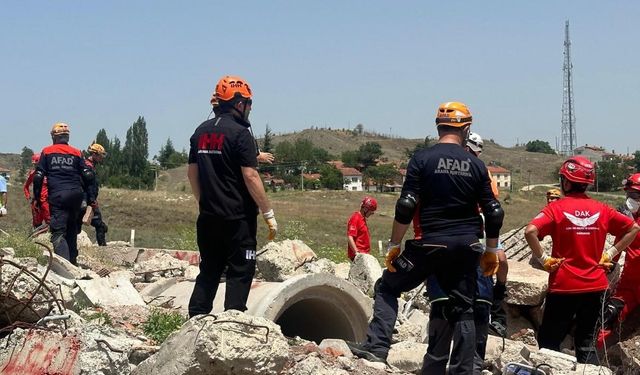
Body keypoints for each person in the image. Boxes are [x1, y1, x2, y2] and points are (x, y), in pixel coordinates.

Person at [348, 102, 504, 374]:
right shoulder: (477, 166)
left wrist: (395, 245)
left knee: (387, 286)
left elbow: (407, 204)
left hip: (430, 245)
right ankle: (463, 370)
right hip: (467, 247)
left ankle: (376, 349)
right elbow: (493, 210)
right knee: (464, 307)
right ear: (466, 128)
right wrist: (490, 249)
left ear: (438, 127)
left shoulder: (422, 159)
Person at [524, 156, 639, 364]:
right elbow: (633, 228)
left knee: (549, 341)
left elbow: (531, 230)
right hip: (595, 286)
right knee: (586, 343)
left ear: (566, 182)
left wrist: (543, 259)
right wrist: (611, 253)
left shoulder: (556, 208)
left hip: (564, 286)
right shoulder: (602, 209)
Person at [187, 75, 277, 318]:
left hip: (208, 217)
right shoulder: (240, 134)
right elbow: (251, 176)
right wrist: (268, 213)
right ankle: (233, 321)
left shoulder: (200, 132)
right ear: (240, 104)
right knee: (240, 270)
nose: (249, 110)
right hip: (238, 219)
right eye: (249, 105)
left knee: (209, 269)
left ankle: (195, 319)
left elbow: (192, 173)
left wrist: (202, 202)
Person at [424, 131, 508, 374]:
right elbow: (500, 258)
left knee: (439, 339)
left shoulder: (444, 208)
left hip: (443, 283)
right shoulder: (482, 216)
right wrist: (499, 292)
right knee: (471, 354)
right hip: (478, 290)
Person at [34, 122, 96, 265]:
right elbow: (88, 175)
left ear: (53, 137)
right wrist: (91, 199)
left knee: (58, 233)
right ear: (67, 137)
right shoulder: (76, 152)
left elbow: (38, 176)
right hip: (76, 196)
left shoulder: (47, 151)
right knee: (71, 228)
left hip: (58, 196)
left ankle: (64, 267)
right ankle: (73, 262)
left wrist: (37, 198)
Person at [596, 173, 640, 348]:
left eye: (635, 196)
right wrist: (605, 264)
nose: (631, 199)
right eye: (629, 195)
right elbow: (616, 249)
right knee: (608, 315)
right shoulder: (629, 220)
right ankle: (595, 356)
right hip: (629, 284)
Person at [211, 94, 274, 164]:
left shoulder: (203, 130)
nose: (250, 108)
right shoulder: (238, 133)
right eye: (249, 103)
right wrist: (255, 158)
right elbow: (226, 160)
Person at [82, 143, 108, 246]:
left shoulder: (88, 165)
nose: (101, 158)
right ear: (94, 154)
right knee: (100, 226)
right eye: (100, 155)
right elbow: (89, 186)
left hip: (86, 199)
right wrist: (92, 201)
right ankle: (103, 249)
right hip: (88, 200)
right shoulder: (88, 167)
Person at [24, 153, 50, 229]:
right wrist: (28, 197)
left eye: (37, 164)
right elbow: (26, 187)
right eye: (34, 164)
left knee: (49, 222)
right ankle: (36, 238)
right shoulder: (32, 174)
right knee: (36, 223)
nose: (35, 166)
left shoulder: (49, 173)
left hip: (47, 201)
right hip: (36, 202)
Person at [347, 196, 377, 261]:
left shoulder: (362, 218)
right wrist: (357, 253)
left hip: (364, 254)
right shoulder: (356, 218)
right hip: (359, 255)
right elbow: (350, 237)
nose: (372, 213)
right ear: (365, 209)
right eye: (371, 211)